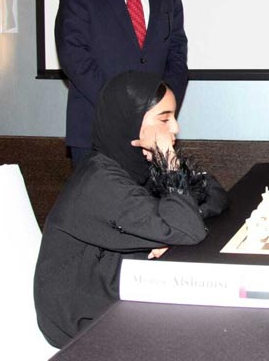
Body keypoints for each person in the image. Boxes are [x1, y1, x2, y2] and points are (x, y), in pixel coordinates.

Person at [34, 71, 229, 348]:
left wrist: (173, 225)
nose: (175, 128)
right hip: (82, 322)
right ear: (131, 120)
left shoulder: (137, 165)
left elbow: (214, 192)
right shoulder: (99, 181)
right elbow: (187, 229)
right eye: (164, 119)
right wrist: (170, 168)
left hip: (120, 285)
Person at [55, 0, 188, 166]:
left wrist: (159, 114)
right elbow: (74, 55)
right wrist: (126, 113)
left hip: (153, 136)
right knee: (97, 197)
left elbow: (177, 58)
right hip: (96, 131)